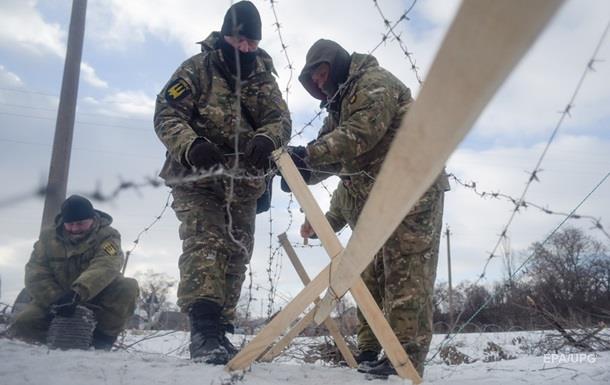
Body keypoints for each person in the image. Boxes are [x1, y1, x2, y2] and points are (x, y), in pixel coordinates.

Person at [284, 39, 449, 377]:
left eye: (321, 73)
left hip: (414, 185)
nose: (318, 82)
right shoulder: (338, 108)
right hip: (385, 197)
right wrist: (299, 170)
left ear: (335, 63)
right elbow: (330, 155)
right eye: (312, 80)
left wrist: (308, 155)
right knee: (386, 276)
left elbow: (362, 133)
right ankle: (392, 353)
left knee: (408, 274)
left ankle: (406, 360)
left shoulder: (373, 83)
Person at [153, 1, 291, 364]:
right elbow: (167, 114)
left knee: (236, 255)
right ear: (225, 36)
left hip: (244, 186)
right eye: (239, 39)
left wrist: (267, 139)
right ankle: (204, 331)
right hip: (197, 178)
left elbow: (280, 121)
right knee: (206, 245)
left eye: (251, 42)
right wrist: (191, 145)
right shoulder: (196, 70)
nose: (245, 48)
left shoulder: (263, 78)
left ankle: (221, 330)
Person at [8, 195, 139, 350]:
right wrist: (56, 300)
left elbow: (106, 265)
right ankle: (44, 352)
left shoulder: (109, 236)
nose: (75, 228)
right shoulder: (47, 239)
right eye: (70, 224)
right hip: (55, 300)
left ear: (92, 219)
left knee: (127, 286)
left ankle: (100, 343)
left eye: (80, 223)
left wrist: (78, 292)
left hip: (94, 297)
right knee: (25, 321)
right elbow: (35, 272)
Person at [300, 180, 384, 365]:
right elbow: (334, 218)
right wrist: (314, 230)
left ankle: (403, 353)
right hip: (365, 248)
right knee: (368, 296)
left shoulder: (375, 174)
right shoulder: (342, 191)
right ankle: (369, 352)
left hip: (394, 241)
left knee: (398, 297)